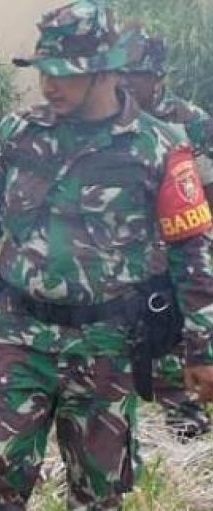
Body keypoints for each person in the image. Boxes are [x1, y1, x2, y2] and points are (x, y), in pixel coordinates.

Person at [0, 1, 213, 511]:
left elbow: (194, 253)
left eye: (65, 70)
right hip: (20, 333)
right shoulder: (18, 132)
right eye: (44, 69)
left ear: (106, 70)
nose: (50, 83)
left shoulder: (161, 147)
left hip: (109, 342)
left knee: (102, 478)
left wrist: (203, 350)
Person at [120, 27, 213, 440]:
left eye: (137, 74)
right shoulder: (113, 121)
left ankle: (186, 428)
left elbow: (204, 193)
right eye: (122, 73)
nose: (127, 83)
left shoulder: (191, 124)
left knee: (175, 343)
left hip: (179, 255)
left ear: (159, 77)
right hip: (127, 260)